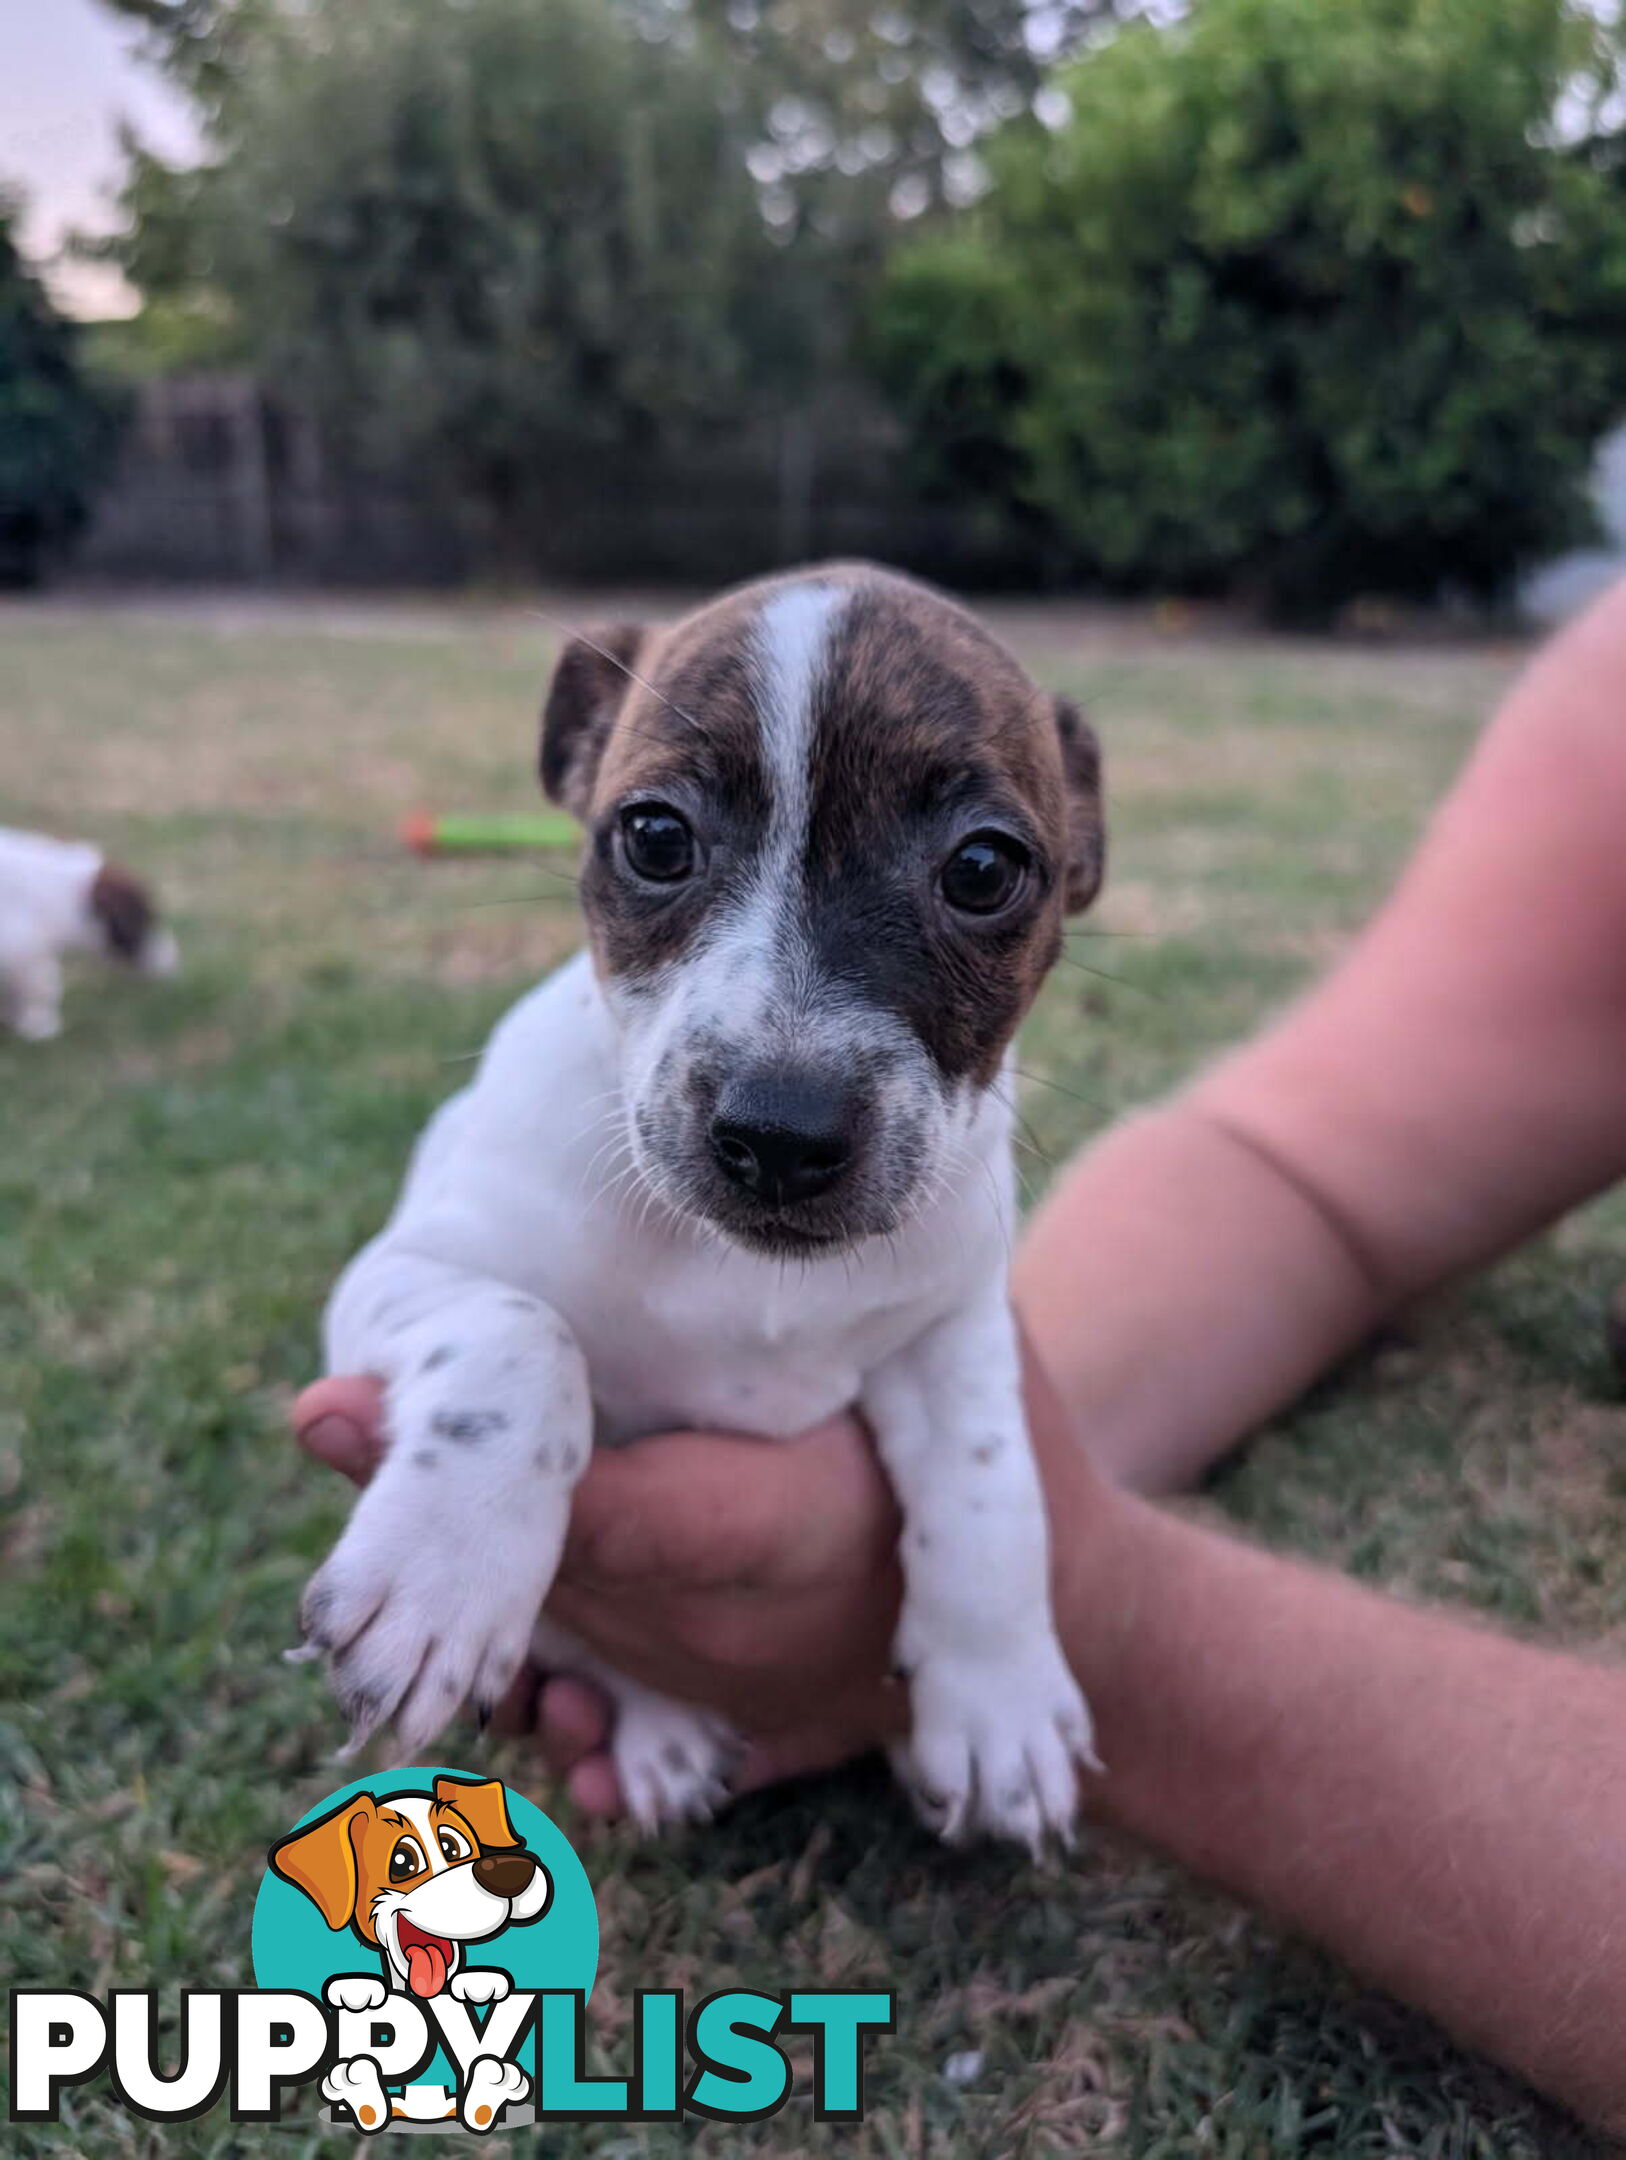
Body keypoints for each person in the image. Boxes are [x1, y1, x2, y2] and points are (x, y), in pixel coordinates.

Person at [295, 579, 1626, 2132]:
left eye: (976, 876)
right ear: (580, 772)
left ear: (1077, 867)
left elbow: (947, 1337)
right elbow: (405, 1289)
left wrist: (994, 1622)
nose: (781, 1055)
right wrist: (500, 1405)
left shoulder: (949, 1188)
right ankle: (647, 1684)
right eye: (663, 847)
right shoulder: (538, 1122)